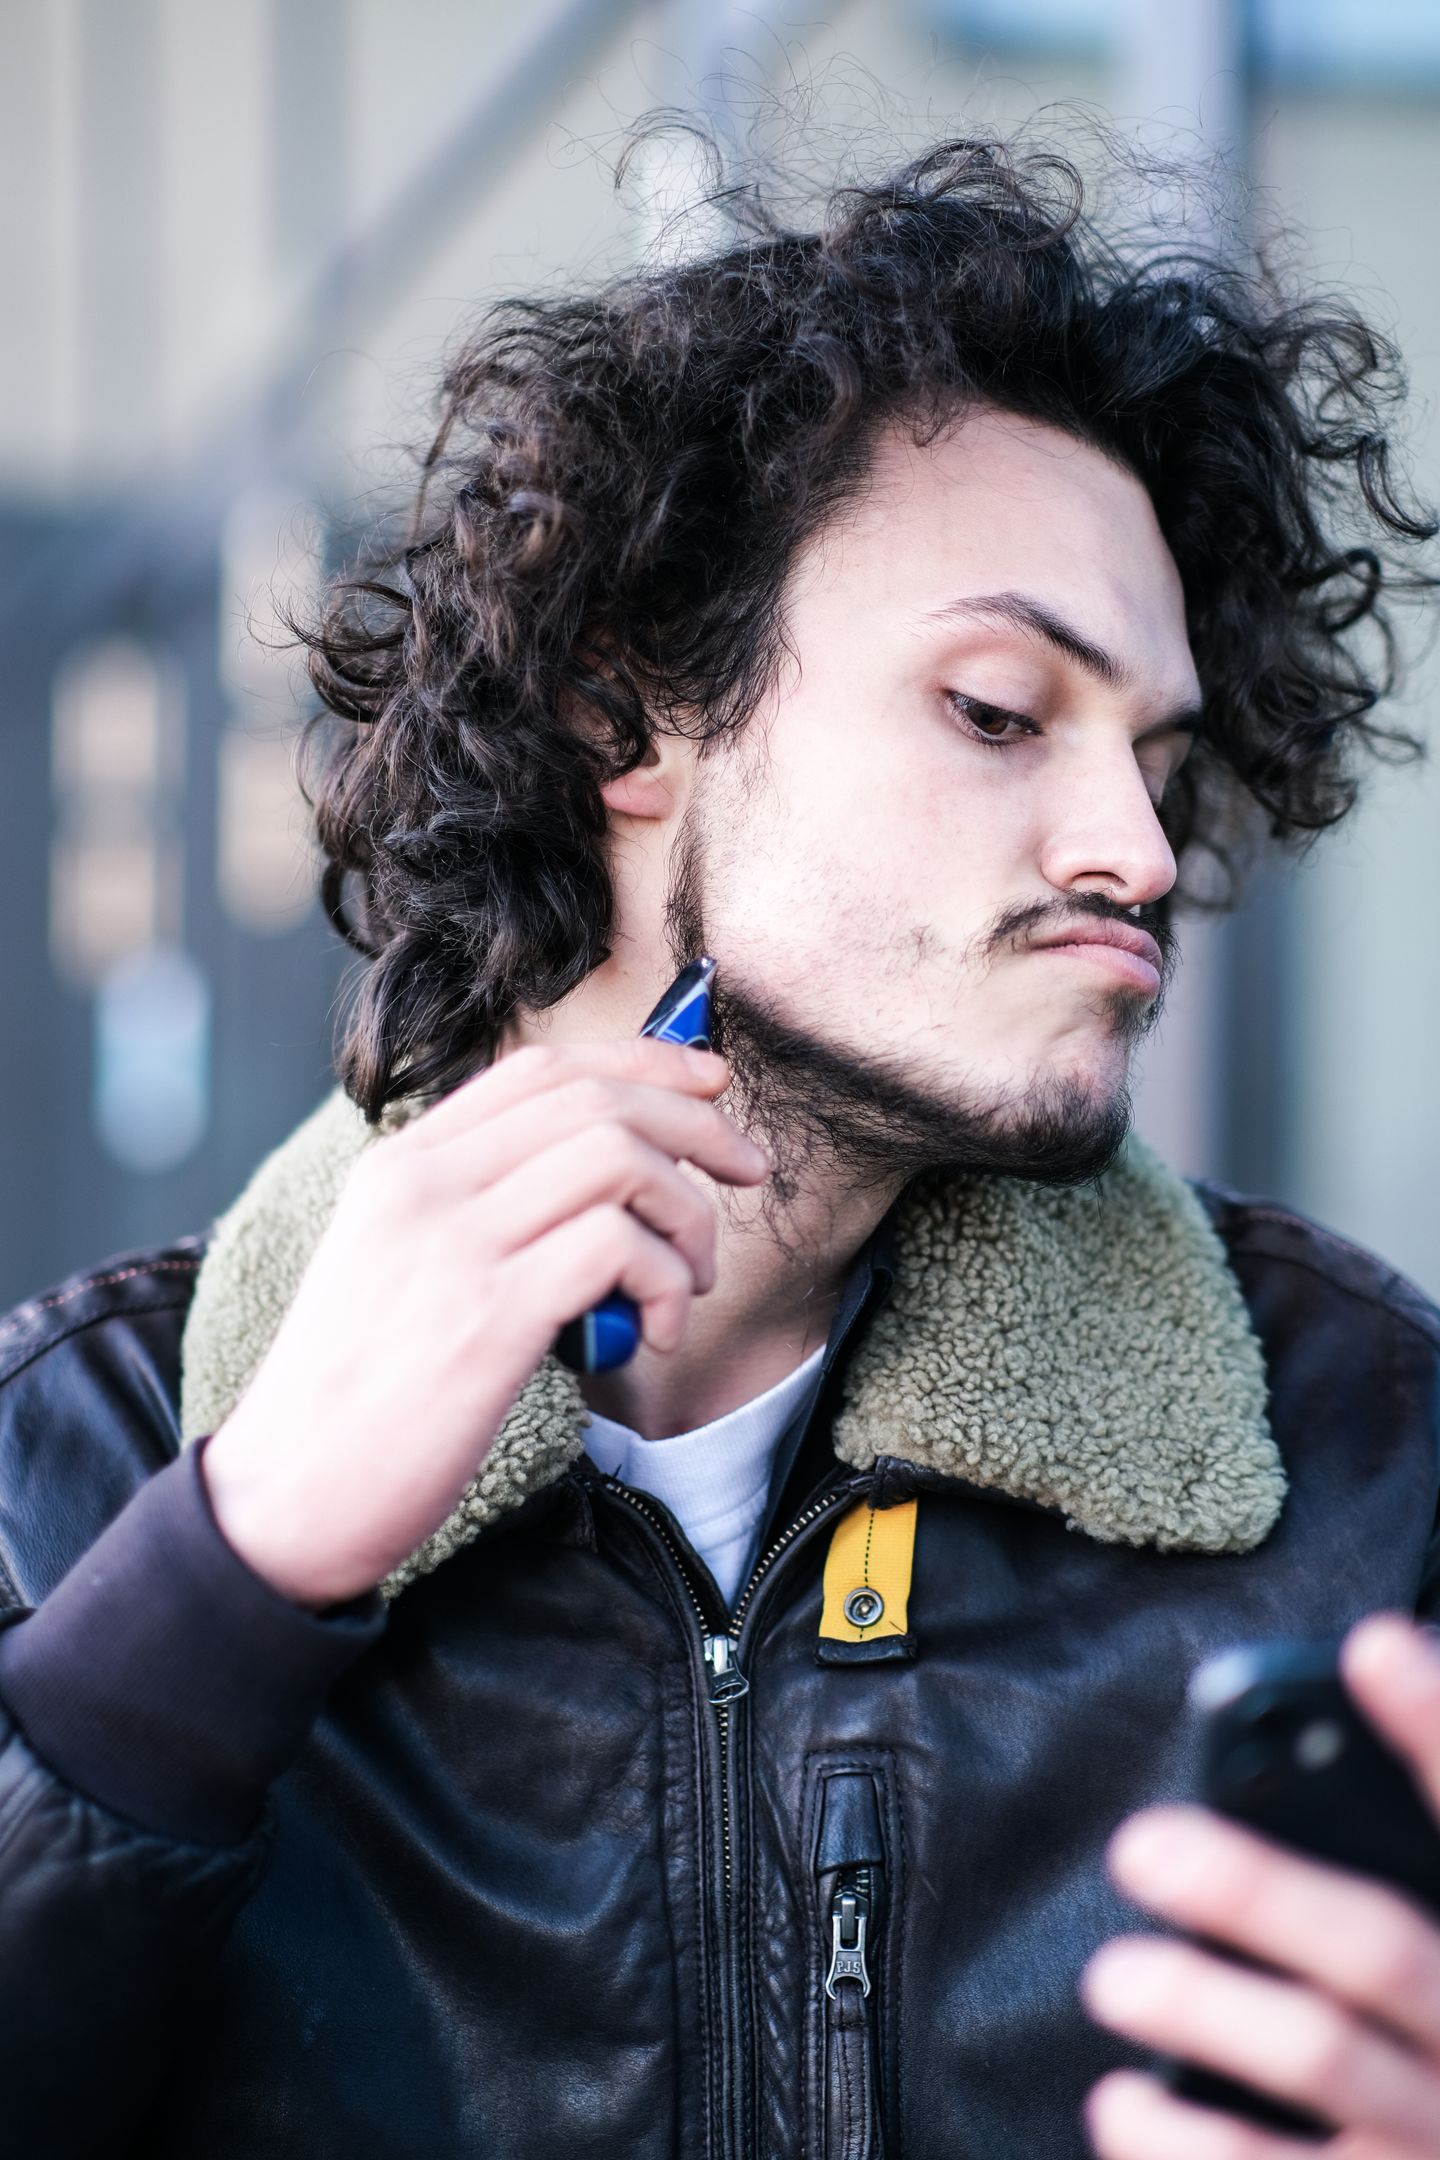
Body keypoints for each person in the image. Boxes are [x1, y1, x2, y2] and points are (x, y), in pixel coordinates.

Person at [3, 125, 1440, 2160]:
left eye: (1159, 757)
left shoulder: (1369, 1446)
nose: (1135, 849)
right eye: (1000, 709)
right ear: (626, 724)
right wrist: (227, 1583)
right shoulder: (74, 1458)